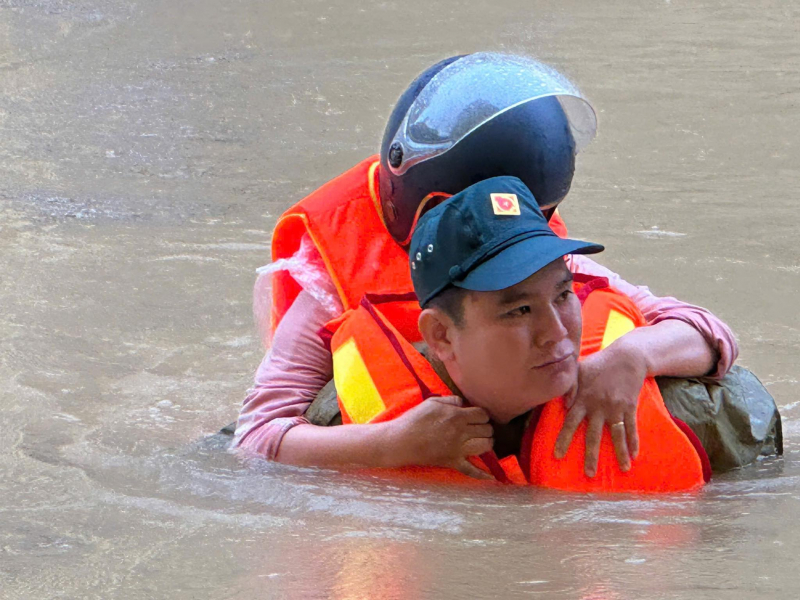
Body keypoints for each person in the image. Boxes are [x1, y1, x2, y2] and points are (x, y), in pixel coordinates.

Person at [233, 53, 738, 476]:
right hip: (399, 425)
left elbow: (709, 333)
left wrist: (633, 355)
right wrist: (392, 444)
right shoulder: (332, 280)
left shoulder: (541, 258)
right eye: (518, 306)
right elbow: (255, 438)